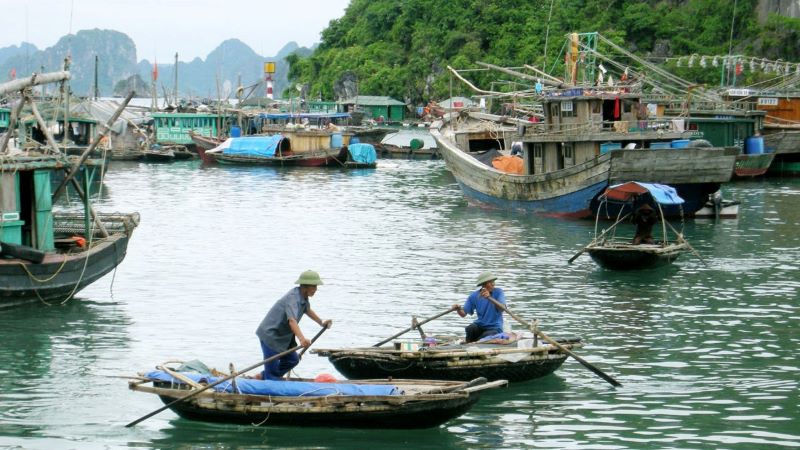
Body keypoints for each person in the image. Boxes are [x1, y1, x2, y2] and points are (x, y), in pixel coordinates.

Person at [255, 270, 332, 380]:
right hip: (271, 336)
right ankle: (269, 380)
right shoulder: (293, 298)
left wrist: (321, 322)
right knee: (271, 374)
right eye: (313, 286)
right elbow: (292, 321)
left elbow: (307, 310)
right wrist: (302, 339)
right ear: (305, 287)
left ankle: (263, 376)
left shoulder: (303, 297)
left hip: (283, 337)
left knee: (293, 360)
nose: (315, 289)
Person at [453, 271, 506, 343]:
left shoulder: (498, 292)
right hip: (480, 325)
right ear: (483, 284)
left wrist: (490, 298)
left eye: (493, 281)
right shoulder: (474, 296)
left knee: (486, 335)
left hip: (494, 328)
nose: (493, 284)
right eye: (490, 282)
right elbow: (463, 314)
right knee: (470, 328)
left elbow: (502, 308)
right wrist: (458, 309)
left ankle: (476, 343)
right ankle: (469, 345)